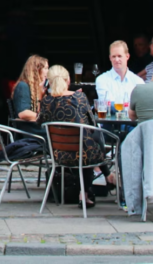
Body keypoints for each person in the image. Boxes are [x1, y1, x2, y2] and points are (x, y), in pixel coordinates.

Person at [35, 65, 105, 207]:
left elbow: (38, 122)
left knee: (85, 143)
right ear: (68, 80)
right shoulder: (79, 97)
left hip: (58, 154)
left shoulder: (46, 101)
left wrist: (41, 95)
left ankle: (90, 189)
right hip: (84, 154)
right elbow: (92, 124)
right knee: (91, 140)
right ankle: (86, 192)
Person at [96, 40, 144, 107]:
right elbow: (106, 104)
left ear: (127, 56)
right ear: (110, 58)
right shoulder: (102, 79)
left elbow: (141, 106)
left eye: (119, 56)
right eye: (114, 56)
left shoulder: (138, 82)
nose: (116, 59)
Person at [12, 54, 48, 123]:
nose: (48, 71)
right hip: (29, 128)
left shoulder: (38, 88)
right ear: (36, 70)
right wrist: (45, 118)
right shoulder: (23, 86)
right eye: (45, 68)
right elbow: (23, 113)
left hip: (38, 126)